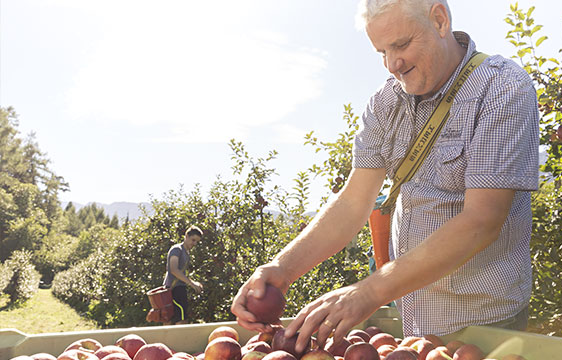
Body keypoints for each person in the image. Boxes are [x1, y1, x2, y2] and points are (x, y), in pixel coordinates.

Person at [231, 0, 539, 351]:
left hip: (486, 322)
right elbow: (353, 202)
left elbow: (483, 219)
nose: (393, 65)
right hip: (415, 320)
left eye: (401, 45)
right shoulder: (385, 103)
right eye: (381, 52)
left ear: (439, 20)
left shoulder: (502, 88)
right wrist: (282, 268)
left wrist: (370, 292)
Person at [163, 225, 204, 325]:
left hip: (180, 288)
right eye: (193, 240)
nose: (194, 243)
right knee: (180, 321)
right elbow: (173, 269)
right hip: (173, 289)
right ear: (186, 236)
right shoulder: (177, 250)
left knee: (174, 319)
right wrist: (192, 284)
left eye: (196, 242)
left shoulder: (186, 252)